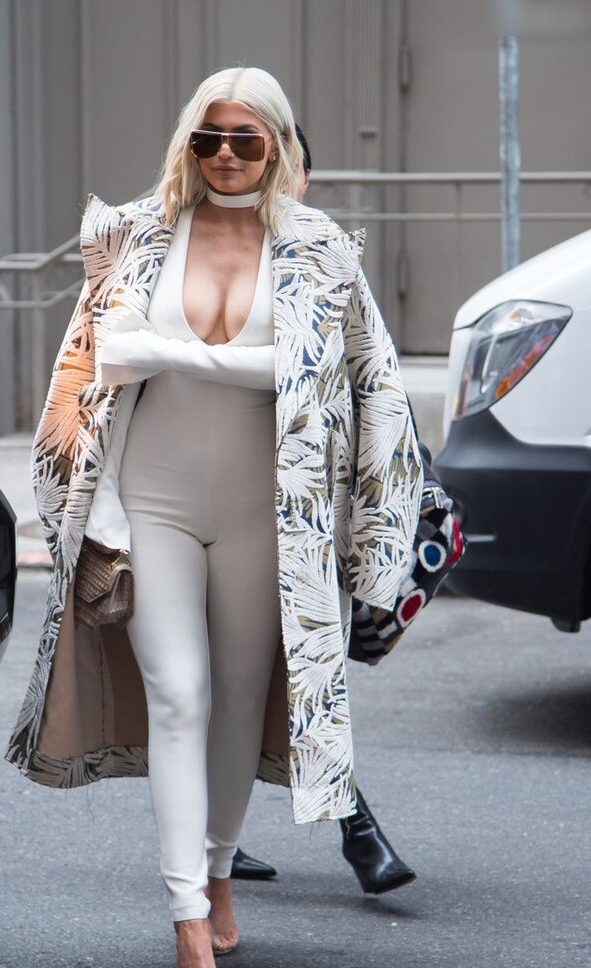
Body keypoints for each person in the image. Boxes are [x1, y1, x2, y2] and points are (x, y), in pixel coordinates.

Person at [7, 66, 422, 968]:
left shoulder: (320, 249)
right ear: (187, 143)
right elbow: (93, 363)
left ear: (277, 145)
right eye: (207, 137)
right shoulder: (136, 234)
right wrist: (73, 498)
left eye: (244, 139)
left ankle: (221, 864)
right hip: (152, 501)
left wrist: (376, 535)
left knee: (238, 701)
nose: (224, 155)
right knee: (181, 697)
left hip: (267, 514)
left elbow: (355, 381)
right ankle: (188, 919)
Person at [231, 125, 416, 896]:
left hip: (312, 506)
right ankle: (347, 834)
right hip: (224, 496)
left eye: (293, 166)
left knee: (314, 668)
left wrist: (382, 511)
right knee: (229, 674)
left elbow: (377, 376)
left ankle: (348, 828)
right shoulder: (199, 253)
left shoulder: (326, 253)